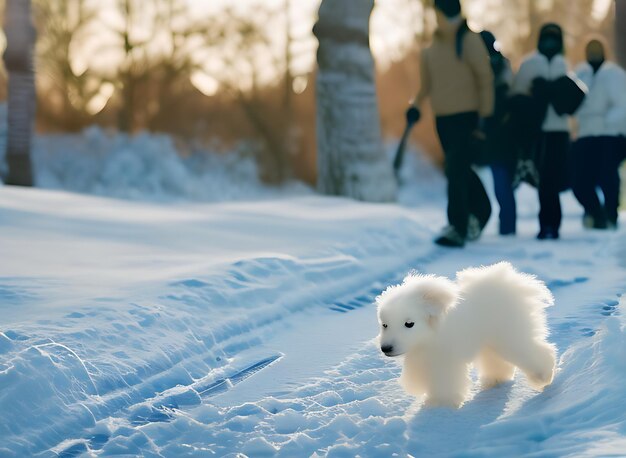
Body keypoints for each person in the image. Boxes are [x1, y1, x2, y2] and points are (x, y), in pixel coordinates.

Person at [407, 0, 493, 248]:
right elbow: (424, 86)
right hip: (443, 120)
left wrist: (484, 117)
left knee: (455, 169)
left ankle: (458, 226)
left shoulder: (469, 41)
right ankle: (482, 211)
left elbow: (484, 78)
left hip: (467, 117)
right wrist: (414, 106)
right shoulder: (431, 49)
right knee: (460, 169)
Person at [511, 23, 571, 240]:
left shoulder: (563, 63)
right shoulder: (529, 63)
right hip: (538, 132)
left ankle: (553, 223)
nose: (550, 43)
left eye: (554, 38)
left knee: (555, 179)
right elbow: (518, 96)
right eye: (547, 38)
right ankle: (547, 223)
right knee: (544, 179)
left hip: (559, 130)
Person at [572, 38, 626, 230]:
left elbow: (622, 105)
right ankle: (595, 212)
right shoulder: (580, 73)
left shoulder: (615, 75)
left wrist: (603, 121)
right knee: (580, 181)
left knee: (608, 177)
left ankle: (610, 214)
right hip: (585, 134)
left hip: (610, 135)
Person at [480, 30, 517, 236]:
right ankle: (507, 225)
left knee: (502, 180)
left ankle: (507, 226)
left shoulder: (498, 68)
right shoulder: (503, 65)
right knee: (503, 181)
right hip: (503, 132)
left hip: (498, 132)